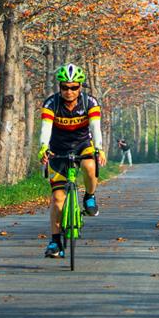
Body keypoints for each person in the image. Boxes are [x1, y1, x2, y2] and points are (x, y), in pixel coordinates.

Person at [38, 63, 105, 258]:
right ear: (59, 87)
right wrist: (43, 147)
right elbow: (46, 129)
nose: (69, 91)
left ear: (80, 87)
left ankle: (90, 196)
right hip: (58, 149)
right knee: (58, 199)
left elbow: (95, 128)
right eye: (65, 87)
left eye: (74, 87)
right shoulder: (51, 104)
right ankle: (55, 242)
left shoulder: (90, 103)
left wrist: (99, 148)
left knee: (90, 166)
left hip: (82, 144)